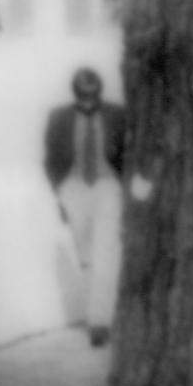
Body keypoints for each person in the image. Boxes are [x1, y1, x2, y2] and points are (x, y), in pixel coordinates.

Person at [43, 67, 139, 345]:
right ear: (75, 94)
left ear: (99, 93)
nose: (88, 101)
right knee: (84, 255)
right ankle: (93, 310)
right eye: (83, 96)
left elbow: (127, 152)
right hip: (73, 187)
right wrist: (58, 190)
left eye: (93, 96)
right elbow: (50, 158)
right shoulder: (59, 118)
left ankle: (100, 322)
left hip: (107, 185)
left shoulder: (116, 115)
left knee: (105, 252)